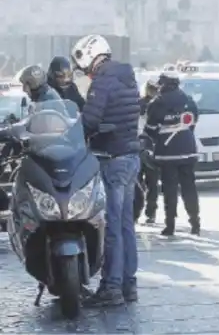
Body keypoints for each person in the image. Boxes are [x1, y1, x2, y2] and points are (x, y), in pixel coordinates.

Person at [70, 34, 141, 307]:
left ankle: (111, 287)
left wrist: (73, 133)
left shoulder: (103, 81)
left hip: (111, 158)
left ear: (90, 55)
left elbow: (90, 120)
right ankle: (128, 284)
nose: (85, 71)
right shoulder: (127, 77)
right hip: (131, 156)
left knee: (111, 226)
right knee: (126, 226)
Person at [144, 70, 200, 236]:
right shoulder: (189, 101)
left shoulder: (156, 103)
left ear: (164, 84)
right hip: (188, 151)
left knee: (169, 190)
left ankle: (170, 225)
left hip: (167, 154)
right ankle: (195, 222)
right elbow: (193, 122)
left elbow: (150, 130)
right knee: (189, 187)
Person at [134, 79, 161, 224]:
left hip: (138, 146)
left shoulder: (137, 104)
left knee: (138, 182)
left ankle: (138, 212)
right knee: (152, 183)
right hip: (151, 147)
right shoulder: (159, 106)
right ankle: (150, 213)